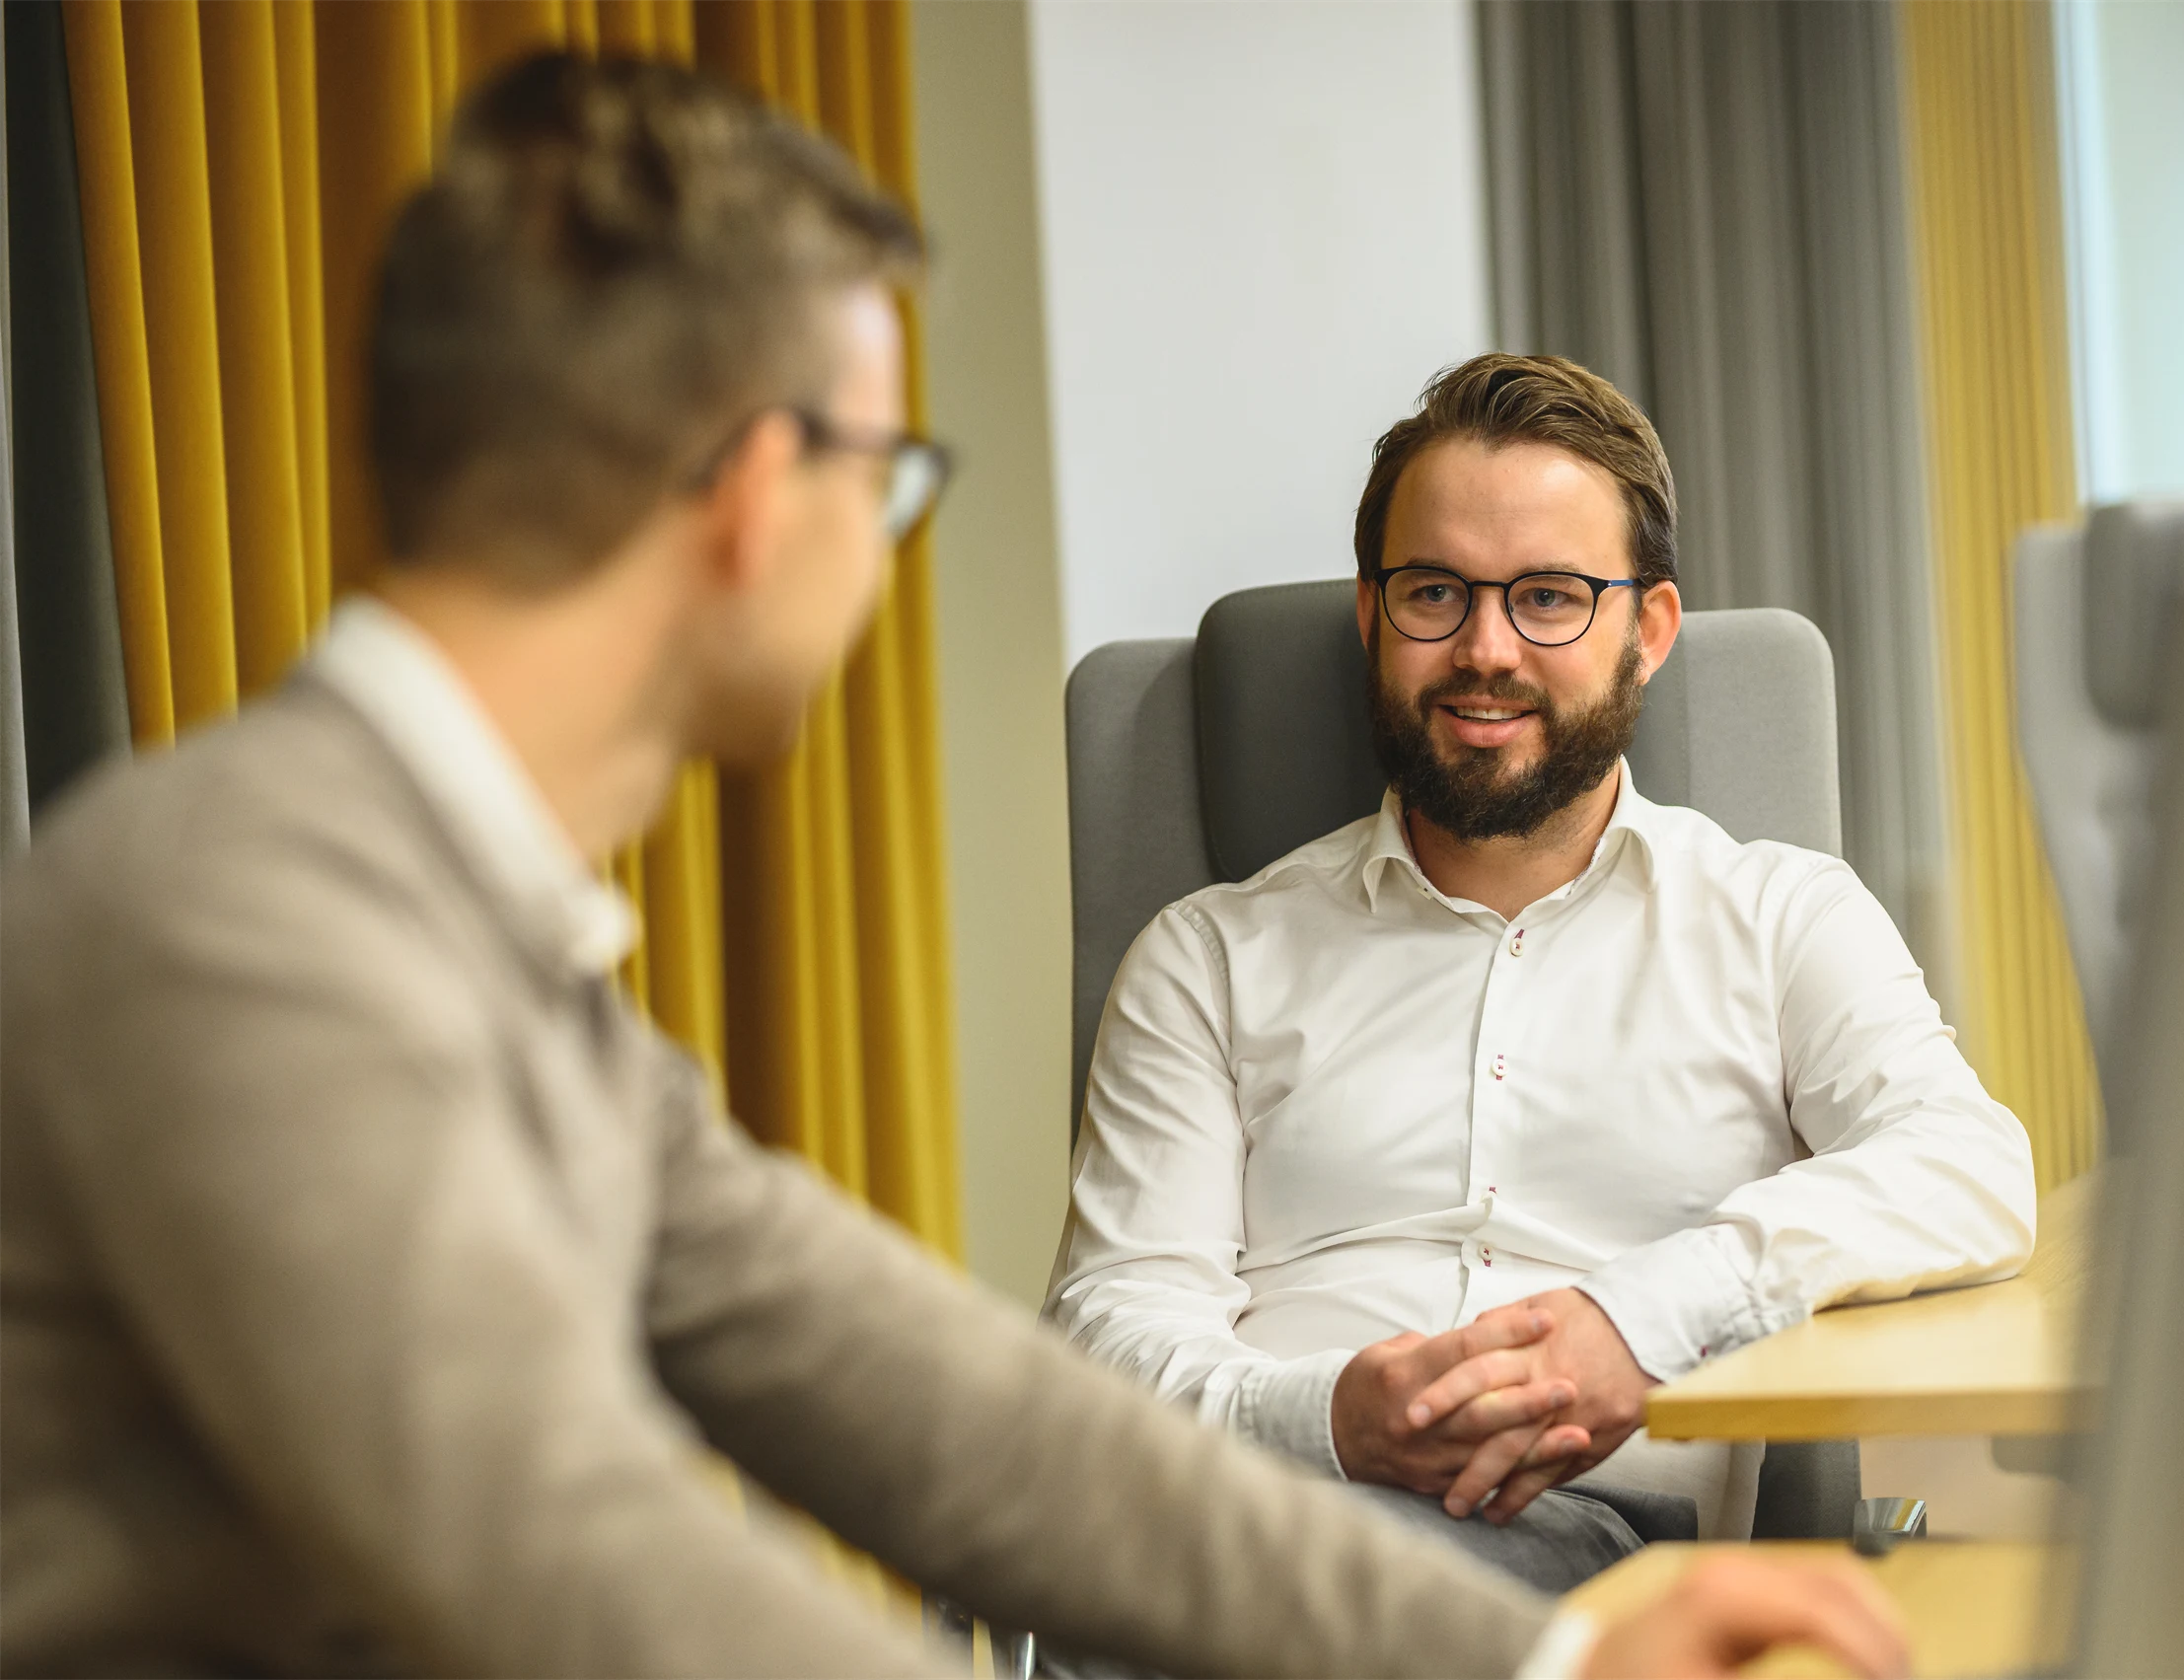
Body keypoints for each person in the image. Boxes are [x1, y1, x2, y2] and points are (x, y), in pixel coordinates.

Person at [0, 51, 1910, 1680]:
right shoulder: (239, 918)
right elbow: (556, 1553)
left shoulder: (481, 947)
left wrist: (1549, 1650)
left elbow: (956, 1416)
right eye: (885, 475)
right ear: (758, 491)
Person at [1047, 355, 2039, 1588]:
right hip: (1234, 1533)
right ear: (1371, 616)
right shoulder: (1207, 956)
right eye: (1434, 594)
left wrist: (1641, 1320)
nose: (1484, 648)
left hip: (1592, 1547)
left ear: (1648, 630)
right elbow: (1108, 1328)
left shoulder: (1780, 916)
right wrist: (1331, 1418)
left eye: (1551, 597)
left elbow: (1967, 1165)